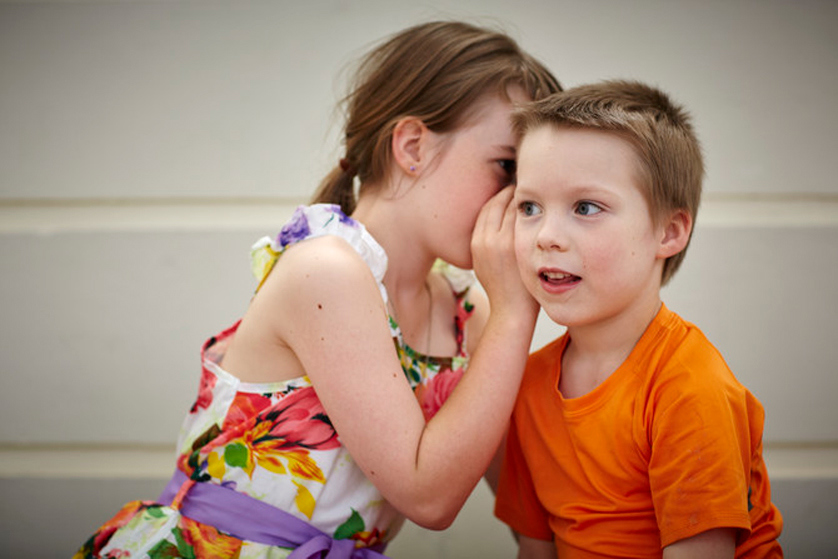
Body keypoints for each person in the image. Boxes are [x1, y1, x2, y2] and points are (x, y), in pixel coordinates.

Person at [75, 20, 561, 559]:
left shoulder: (467, 311)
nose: (518, 201)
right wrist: (516, 314)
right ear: (413, 146)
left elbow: (526, 507)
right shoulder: (328, 269)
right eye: (506, 167)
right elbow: (428, 496)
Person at [494, 80, 783, 558]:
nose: (546, 235)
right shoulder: (528, 384)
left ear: (668, 232)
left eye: (586, 207)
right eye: (530, 207)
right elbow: (535, 550)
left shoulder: (690, 389)